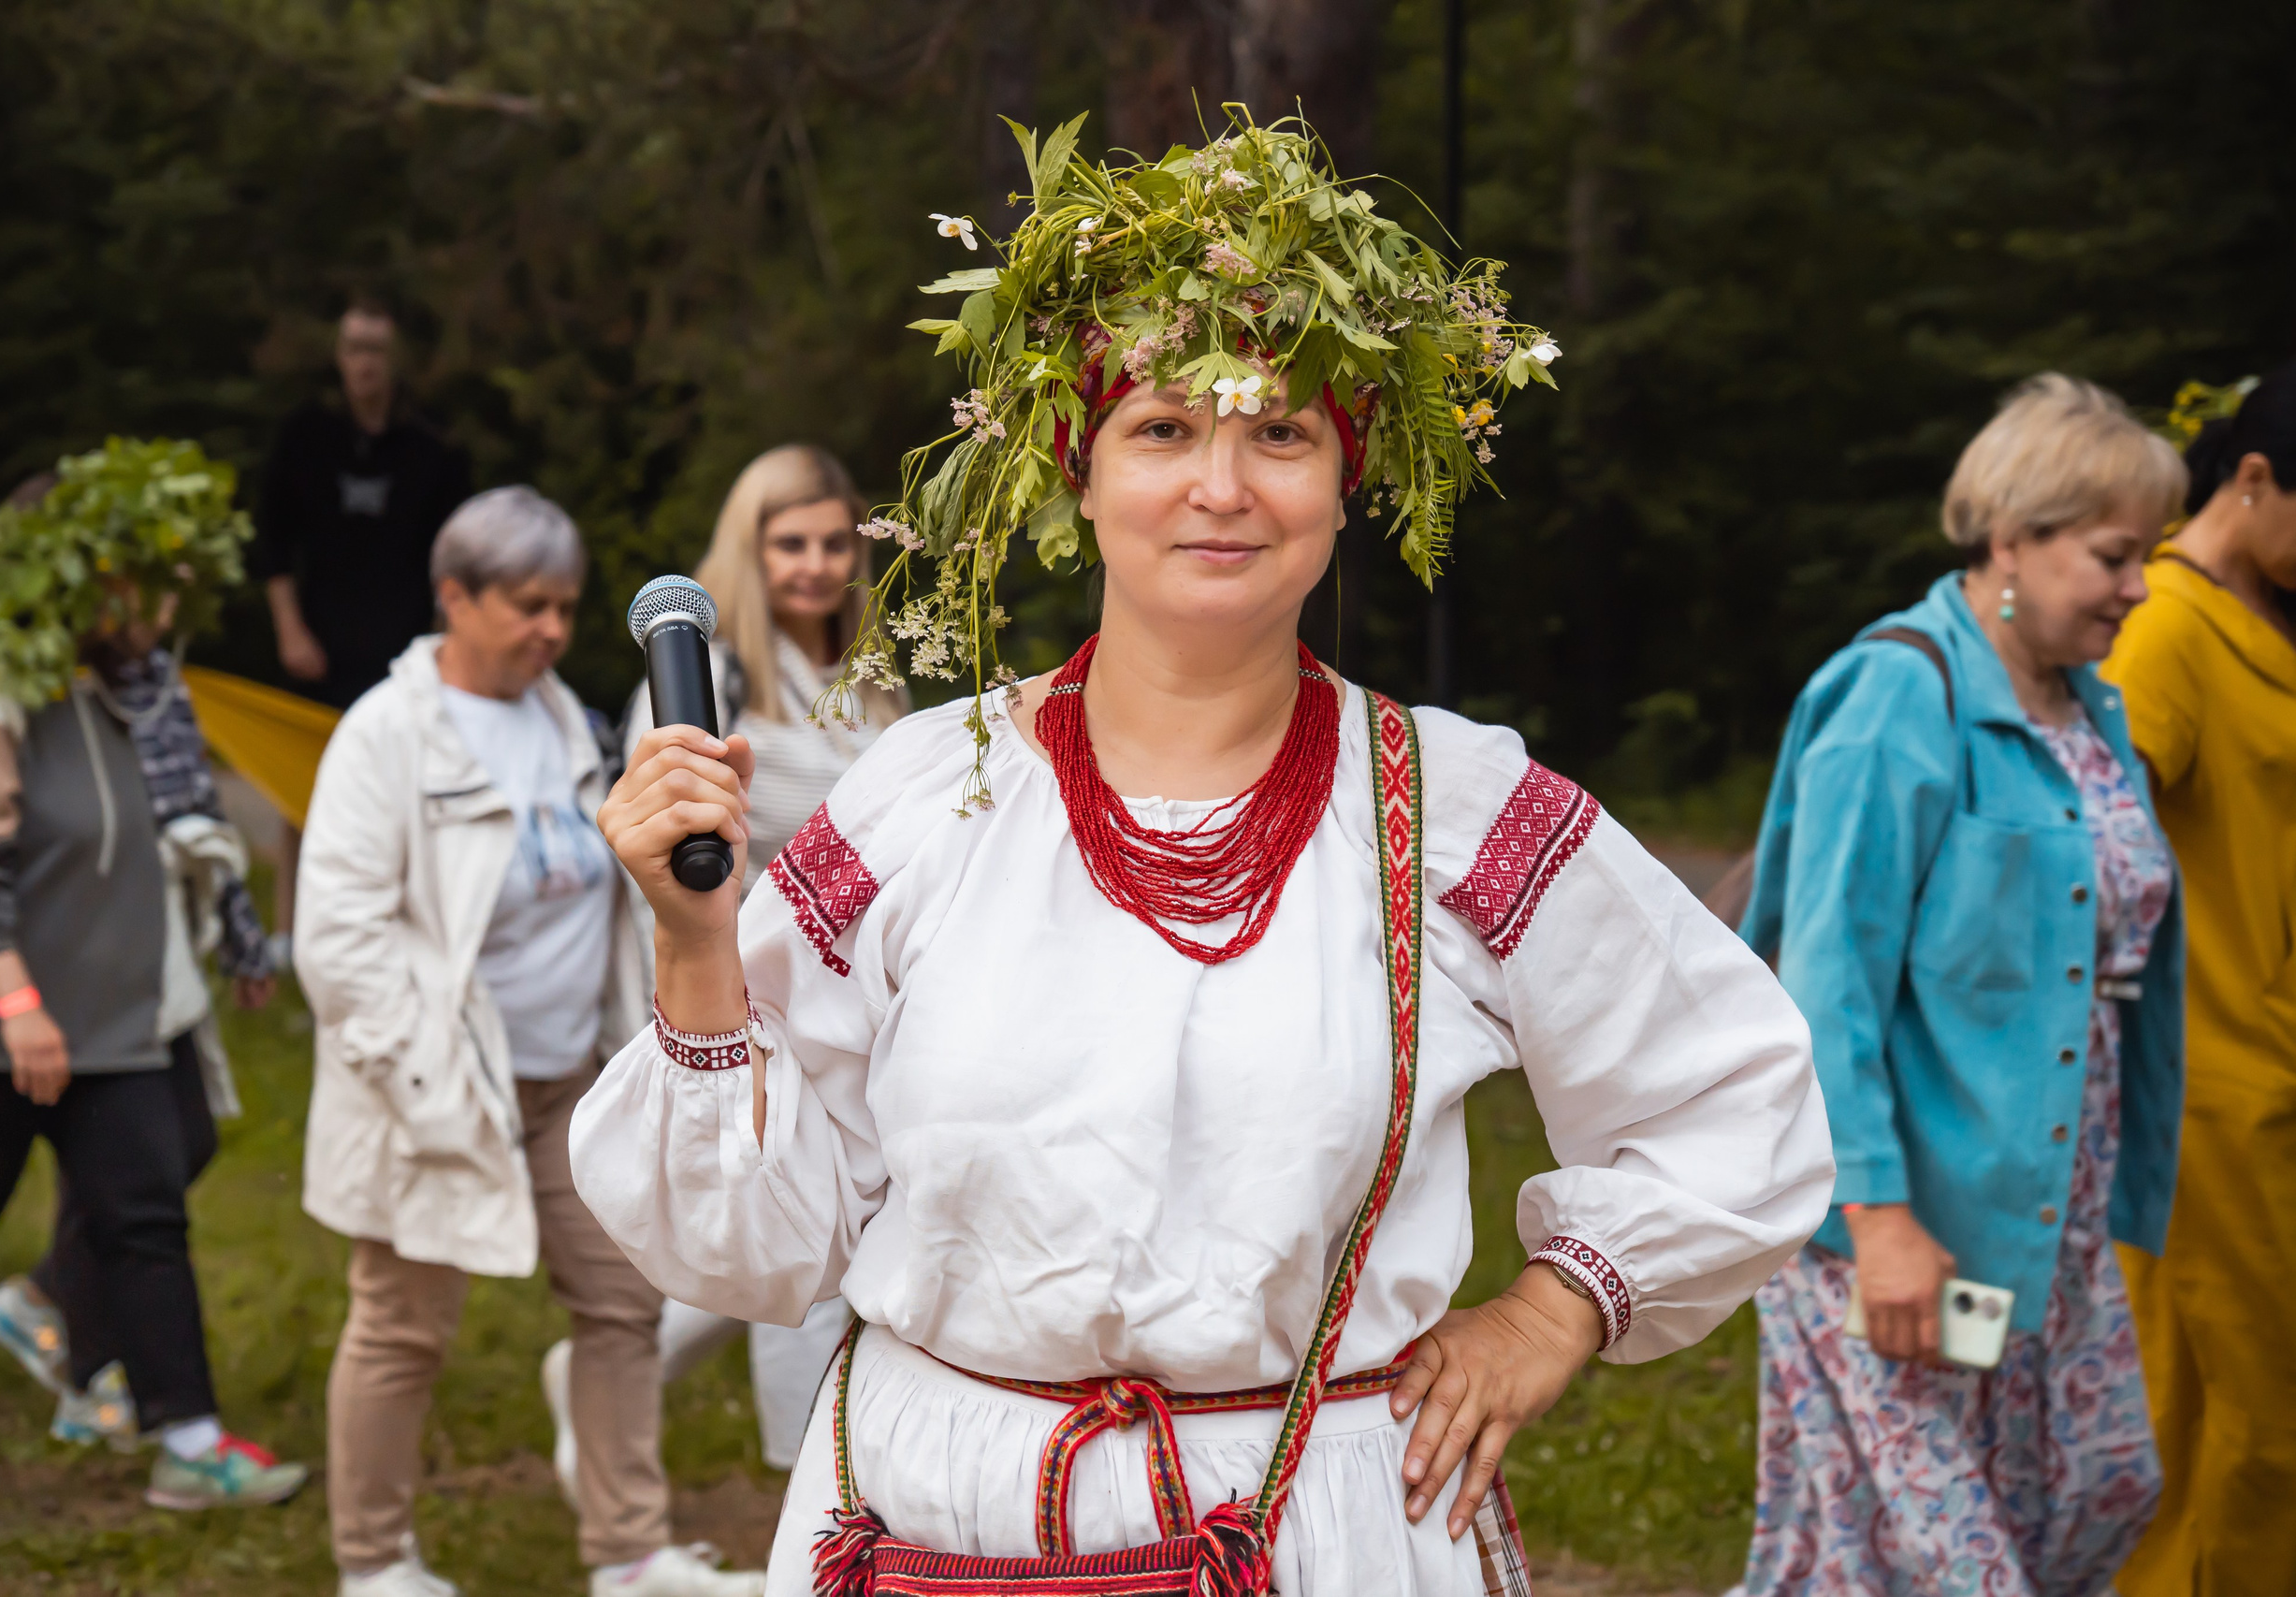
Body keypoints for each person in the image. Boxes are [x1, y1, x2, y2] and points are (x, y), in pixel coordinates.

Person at [572, 120, 1830, 1595]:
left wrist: (1556, 1309)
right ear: (1078, 470)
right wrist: (695, 941)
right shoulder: (930, 792)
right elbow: (748, 1245)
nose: (1221, 486)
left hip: (1312, 1526)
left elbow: (1733, 1088)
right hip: (936, 1510)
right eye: (1164, 427)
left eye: (1280, 433)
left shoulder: (1453, 807)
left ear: (1349, 480)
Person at [1735, 374, 2187, 1594]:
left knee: (2095, 1490)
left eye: (2145, 557)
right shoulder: (1898, 695)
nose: (2139, 588)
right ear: (2012, 539)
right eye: (2113, 557)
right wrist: (1878, 1219)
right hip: (1892, 1212)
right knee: (1950, 1563)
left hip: (2045, 1210)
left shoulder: (2086, 708)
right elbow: (1825, 982)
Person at [295, 486, 763, 1597]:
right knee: (401, 1329)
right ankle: (374, 1565)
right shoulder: (385, 734)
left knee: (621, 1305)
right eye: (528, 605)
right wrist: (423, 1082)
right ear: (454, 597)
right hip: (438, 1086)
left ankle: (630, 1555)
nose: (553, 628)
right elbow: (341, 941)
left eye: (566, 606)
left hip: (569, 1079)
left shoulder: (565, 721)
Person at [0, 443, 307, 1510]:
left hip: (107, 1031)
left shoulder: (104, 694)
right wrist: (18, 1004)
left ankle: (193, 1444)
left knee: (143, 1218)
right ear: (78, 576)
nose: (162, 597)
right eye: (141, 575)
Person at [543, 444, 908, 1494]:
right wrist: (682, 992)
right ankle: (811, 1475)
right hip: (738, 994)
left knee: (818, 1219)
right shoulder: (706, 680)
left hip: (858, 994)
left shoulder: (873, 674)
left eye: (834, 542)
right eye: (790, 543)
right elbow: (652, 855)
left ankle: (626, 1370)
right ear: (749, 550)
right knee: (771, 1206)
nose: (815, 564)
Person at [0, 621, 283, 1448]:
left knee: (165, 1151)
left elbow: (195, 803)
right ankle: (99, 1373)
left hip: (155, 944)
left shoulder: (152, 679)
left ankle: (58, 1319)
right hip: (91, 954)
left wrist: (241, 933)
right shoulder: (45, 686)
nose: (166, 605)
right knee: (122, 1173)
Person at [2102, 365, 2296, 1597]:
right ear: (2255, 478)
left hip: (2270, 1079)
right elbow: (2089, 840)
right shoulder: (2168, 624)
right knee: (2230, 1412)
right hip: (2206, 1090)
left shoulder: (2265, 613)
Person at [252, 294, 472, 952]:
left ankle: (402, 922)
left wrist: (446, 644)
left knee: (404, 785)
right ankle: (289, 929)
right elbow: (270, 539)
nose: (364, 364)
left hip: (404, 648)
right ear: (338, 356)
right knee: (301, 782)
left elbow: (456, 556)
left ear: (395, 359)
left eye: (375, 350)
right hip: (320, 644)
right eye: (353, 349)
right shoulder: (306, 436)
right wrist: (289, 628)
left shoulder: (432, 445)